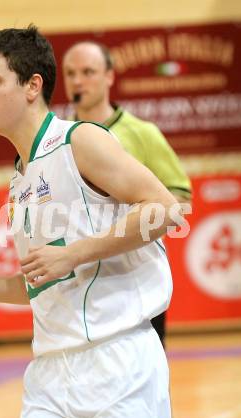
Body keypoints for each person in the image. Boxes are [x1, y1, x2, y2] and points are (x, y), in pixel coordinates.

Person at [0, 25, 182, 418]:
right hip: (50, 372)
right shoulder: (20, 180)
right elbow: (43, 280)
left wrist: (74, 252)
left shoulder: (81, 141)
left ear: (33, 86)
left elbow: (166, 210)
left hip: (119, 362)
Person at [62, 41, 192, 347]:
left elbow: (180, 200)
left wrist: (128, 218)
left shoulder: (142, 133)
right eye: (70, 73)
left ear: (109, 76)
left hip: (136, 279)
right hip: (79, 278)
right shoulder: (57, 136)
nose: (78, 81)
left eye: (88, 72)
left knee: (148, 378)